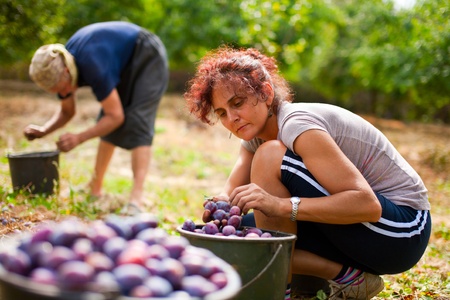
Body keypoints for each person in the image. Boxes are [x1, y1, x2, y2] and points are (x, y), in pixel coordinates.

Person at [184, 46, 431, 300]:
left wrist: (281, 206)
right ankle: (344, 278)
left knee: (269, 162)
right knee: (234, 240)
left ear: (266, 93)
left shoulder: (297, 124)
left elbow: (367, 205)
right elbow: (229, 193)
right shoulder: (254, 138)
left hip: (401, 231)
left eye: (238, 103)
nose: (232, 118)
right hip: (355, 231)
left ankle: (283, 290)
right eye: (222, 113)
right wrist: (219, 206)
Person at [25, 21, 169, 211]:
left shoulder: (92, 65)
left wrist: (79, 138)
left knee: (138, 120)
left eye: (62, 88)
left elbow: (116, 117)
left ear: (67, 72)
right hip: (123, 61)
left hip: (146, 54)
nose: (64, 93)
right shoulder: (60, 64)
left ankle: (136, 199)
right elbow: (68, 111)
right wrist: (44, 130)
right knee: (106, 119)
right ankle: (95, 187)